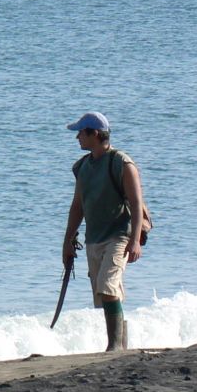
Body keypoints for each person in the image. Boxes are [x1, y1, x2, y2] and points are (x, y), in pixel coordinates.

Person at [62, 111, 145, 351]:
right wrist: (68, 240)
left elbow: (137, 202)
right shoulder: (83, 167)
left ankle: (115, 346)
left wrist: (136, 239)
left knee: (107, 286)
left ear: (94, 134)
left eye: (81, 133)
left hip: (119, 236)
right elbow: (78, 206)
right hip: (94, 238)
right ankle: (120, 343)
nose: (77, 137)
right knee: (105, 293)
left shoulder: (121, 162)